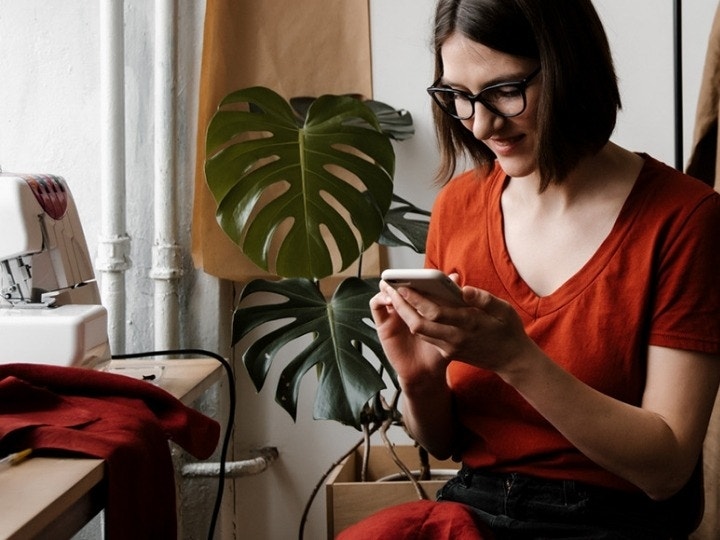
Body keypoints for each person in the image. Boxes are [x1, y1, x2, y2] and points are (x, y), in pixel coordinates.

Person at [367, 0, 720, 538]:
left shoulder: (684, 219)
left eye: (505, 91)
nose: (482, 124)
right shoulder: (459, 207)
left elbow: (667, 468)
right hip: (475, 505)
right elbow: (441, 443)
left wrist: (515, 358)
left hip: (614, 518)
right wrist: (419, 381)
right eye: (458, 97)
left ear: (569, 68)